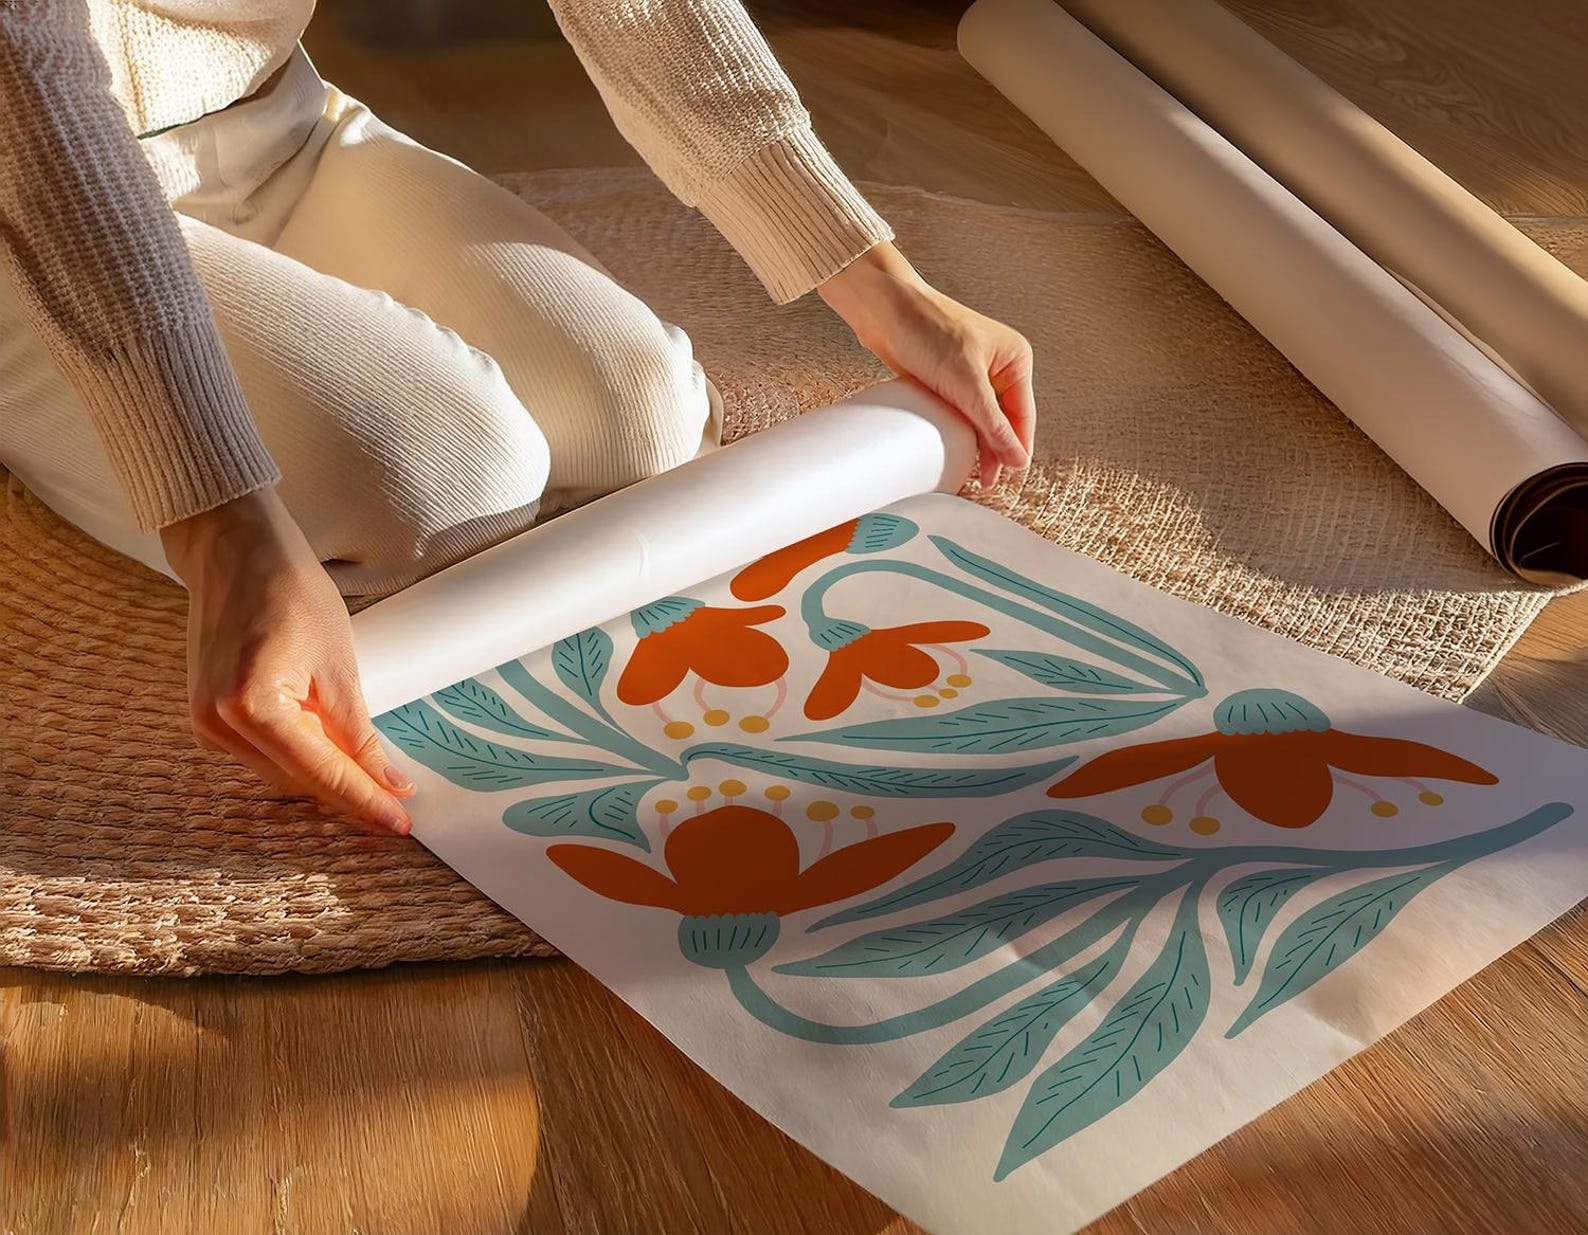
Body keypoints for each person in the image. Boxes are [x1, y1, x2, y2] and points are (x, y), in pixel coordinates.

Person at [0, 0, 1036, 837]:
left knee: (642, 420)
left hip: (274, 127)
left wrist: (883, 286)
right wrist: (220, 520)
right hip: (24, 198)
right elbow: (27, 80)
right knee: (451, 482)